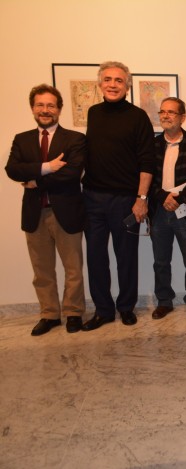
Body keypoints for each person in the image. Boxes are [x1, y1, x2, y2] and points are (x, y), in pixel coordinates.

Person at [5, 84, 86, 335]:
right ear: (33, 108)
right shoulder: (22, 139)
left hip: (67, 213)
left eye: (51, 105)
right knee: (42, 270)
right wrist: (48, 167)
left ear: (59, 109)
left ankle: (73, 313)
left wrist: (36, 179)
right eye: (40, 105)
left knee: (73, 268)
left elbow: (72, 174)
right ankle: (49, 315)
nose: (45, 110)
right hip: (34, 214)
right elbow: (13, 170)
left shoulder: (74, 139)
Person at [81, 61, 155, 331]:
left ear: (128, 85)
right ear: (100, 84)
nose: (113, 84)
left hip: (126, 200)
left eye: (119, 80)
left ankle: (126, 307)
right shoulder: (93, 113)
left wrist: (141, 198)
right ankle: (103, 310)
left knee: (126, 257)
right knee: (96, 258)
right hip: (93, 199)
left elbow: (148, 162)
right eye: (108, 79)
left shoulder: (138, 117)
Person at [149, 97, 186, 320]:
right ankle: (164, 301)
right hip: (159, 210)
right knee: (161, 261)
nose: (166, 116)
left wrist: (179, 198)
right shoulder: (151, 145)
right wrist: (163, 197)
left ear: (183, 117)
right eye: (163, 112)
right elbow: (145, 176)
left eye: (171, 112)